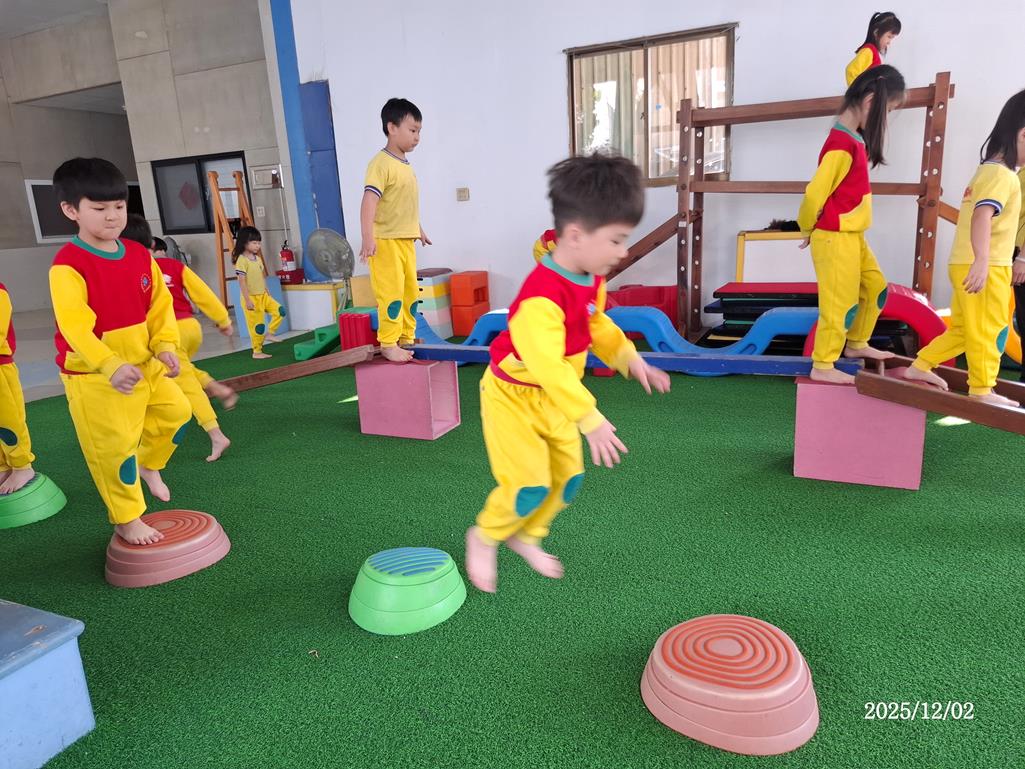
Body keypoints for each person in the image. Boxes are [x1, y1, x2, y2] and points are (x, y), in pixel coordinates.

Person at [464, 154, 671, 594]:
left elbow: (596, 323)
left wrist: (629, 358)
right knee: (528, 485)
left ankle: (526, 536)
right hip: (515, 398)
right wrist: (590, 418)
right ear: (576, 235)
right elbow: (548, 367)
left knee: (568, 480)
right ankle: (484, 536)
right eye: (616, 240)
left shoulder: (591, 276)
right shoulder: (539, 299)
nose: (624, 252)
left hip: (556, 400)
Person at [49, 158, 190, 545]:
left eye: (119, 206)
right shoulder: (67, 265)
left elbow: (159, 307)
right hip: (96, 377)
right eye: (99, 208)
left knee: (178, 414)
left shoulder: (139, 254)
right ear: (71, 210)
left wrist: (165, 346)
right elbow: (75, 327)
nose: (112, 216)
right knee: (115, 451)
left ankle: (150, 464)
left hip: (145, 365)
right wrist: (109, 364)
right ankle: (127, 519)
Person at [905, 90, 1025, 406]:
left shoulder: (987, 170)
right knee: (991, 328)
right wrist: (983, 260)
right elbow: (982, 216)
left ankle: (920, 365)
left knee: (963, 328)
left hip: (966, 261)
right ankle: (982, 389)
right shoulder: (1003, 176)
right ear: (1023, 135)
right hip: (987, 264)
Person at [797, 65, 907, 384]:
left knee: (875, 288)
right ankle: (823, 364)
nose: (887, 119)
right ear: (871, 101)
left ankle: (856, 343)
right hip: (834, 236)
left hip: (852, 234)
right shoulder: (840, 144)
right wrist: (807, 228)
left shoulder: (853, 140)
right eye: (889, 110)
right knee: (840, 303)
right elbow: (815, 193)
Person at [358, 98, 431, 362]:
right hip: (385, 242)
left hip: (405, 241)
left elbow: (403, 204)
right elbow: (370, 201)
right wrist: (367, 237)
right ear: (392, 128)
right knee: (391, 293)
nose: (417, 137)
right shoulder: (381, 163)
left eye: (419, 131)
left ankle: (407, 337)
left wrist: (417, 228)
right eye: (412, 130)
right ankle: (388, 342)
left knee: (411, 292)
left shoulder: (405, 166)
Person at [845, 11, 901, 86]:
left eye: (892, 38)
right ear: (876, 32)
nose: (889, 42)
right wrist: (857, 91)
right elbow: (851, 71)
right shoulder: (868, 51)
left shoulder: (874, 52)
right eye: (889, 37)